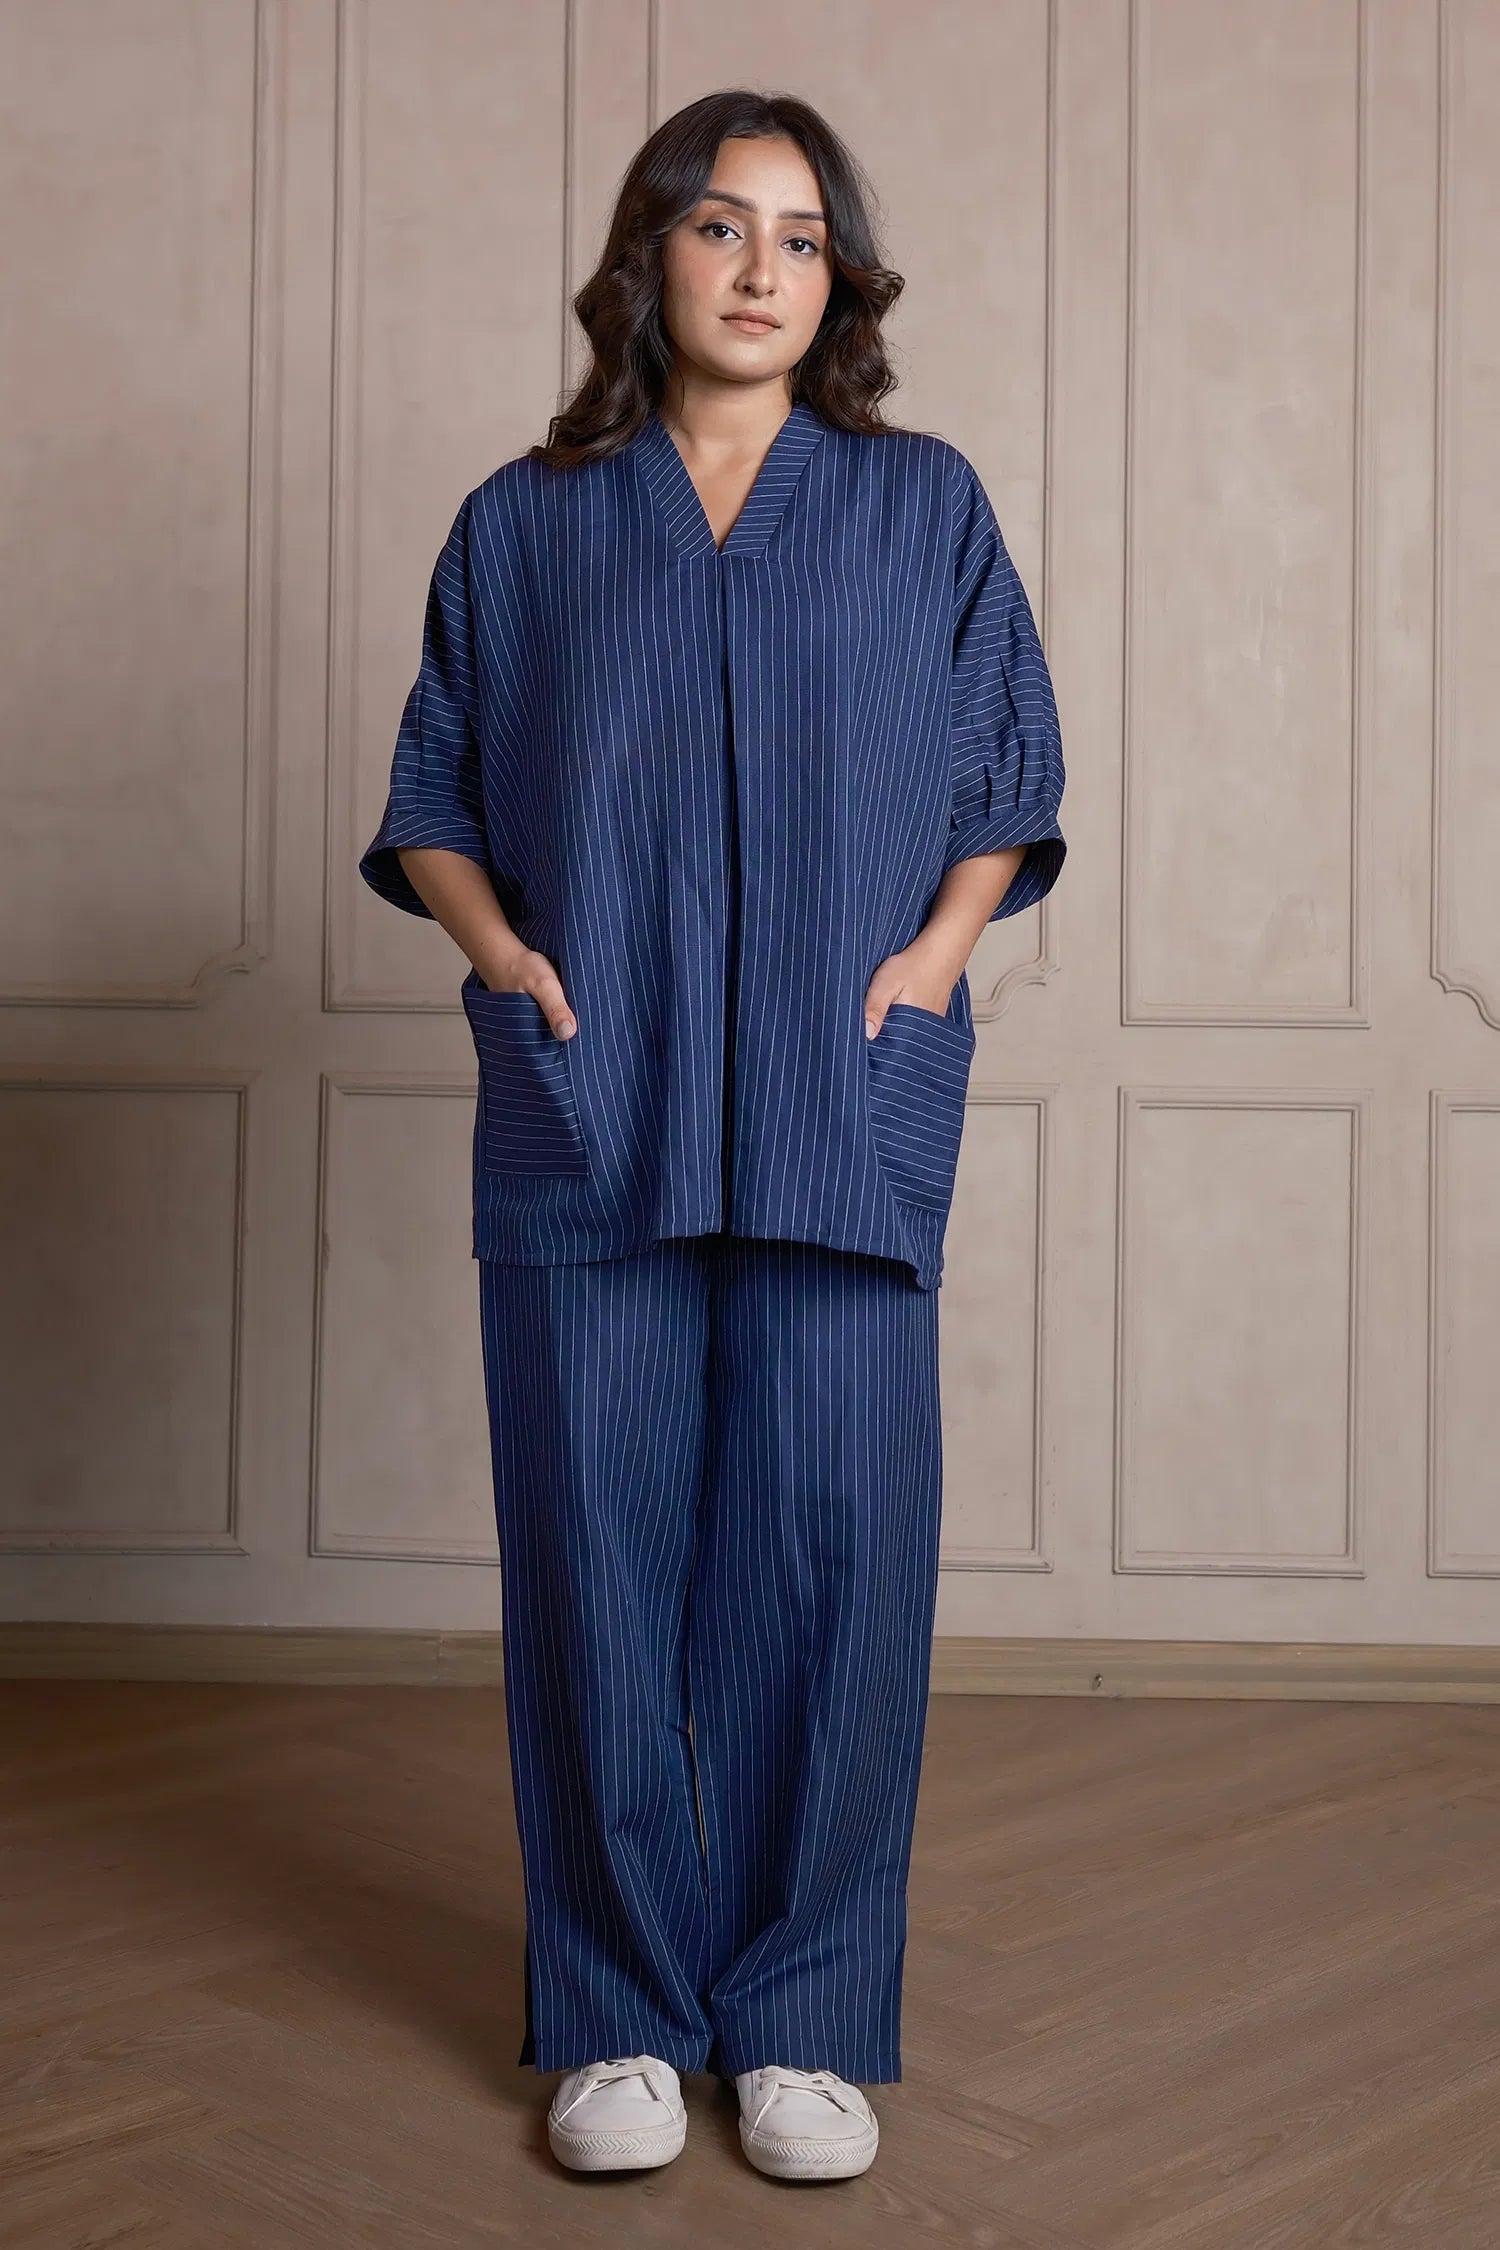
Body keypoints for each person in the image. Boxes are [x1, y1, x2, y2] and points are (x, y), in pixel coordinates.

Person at [359, 87, 1066, 2183]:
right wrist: (504, 957)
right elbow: (434, 790)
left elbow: (1008, 772)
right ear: (648, 252)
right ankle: (616, 2014)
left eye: (802, 237)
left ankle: (804, 2020)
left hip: (843, 1104)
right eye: (723, 226)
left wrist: (933, 960)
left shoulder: (921, 503)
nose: (764, 269)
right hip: (599, 1099)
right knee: (594, 1556)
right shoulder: (528, 519)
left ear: (839, 278)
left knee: (834, 1562)